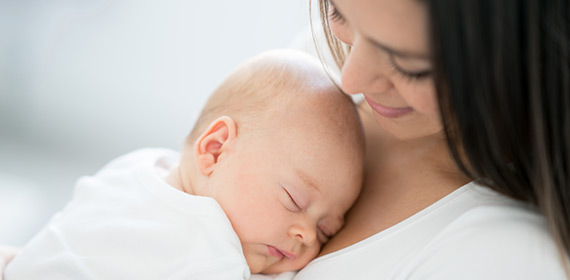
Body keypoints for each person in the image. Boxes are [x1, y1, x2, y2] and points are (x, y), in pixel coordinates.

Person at [252, 0, 570, 279]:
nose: (349, 79)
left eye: (410, 66)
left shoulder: (506, 258)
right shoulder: (316, 62)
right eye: (338, 12)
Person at [3, 49, 364, 279]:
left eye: (325, 231)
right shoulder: (216, 252)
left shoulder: (139, 166)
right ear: (216, 149)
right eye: (294, 201)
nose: (305, 234)